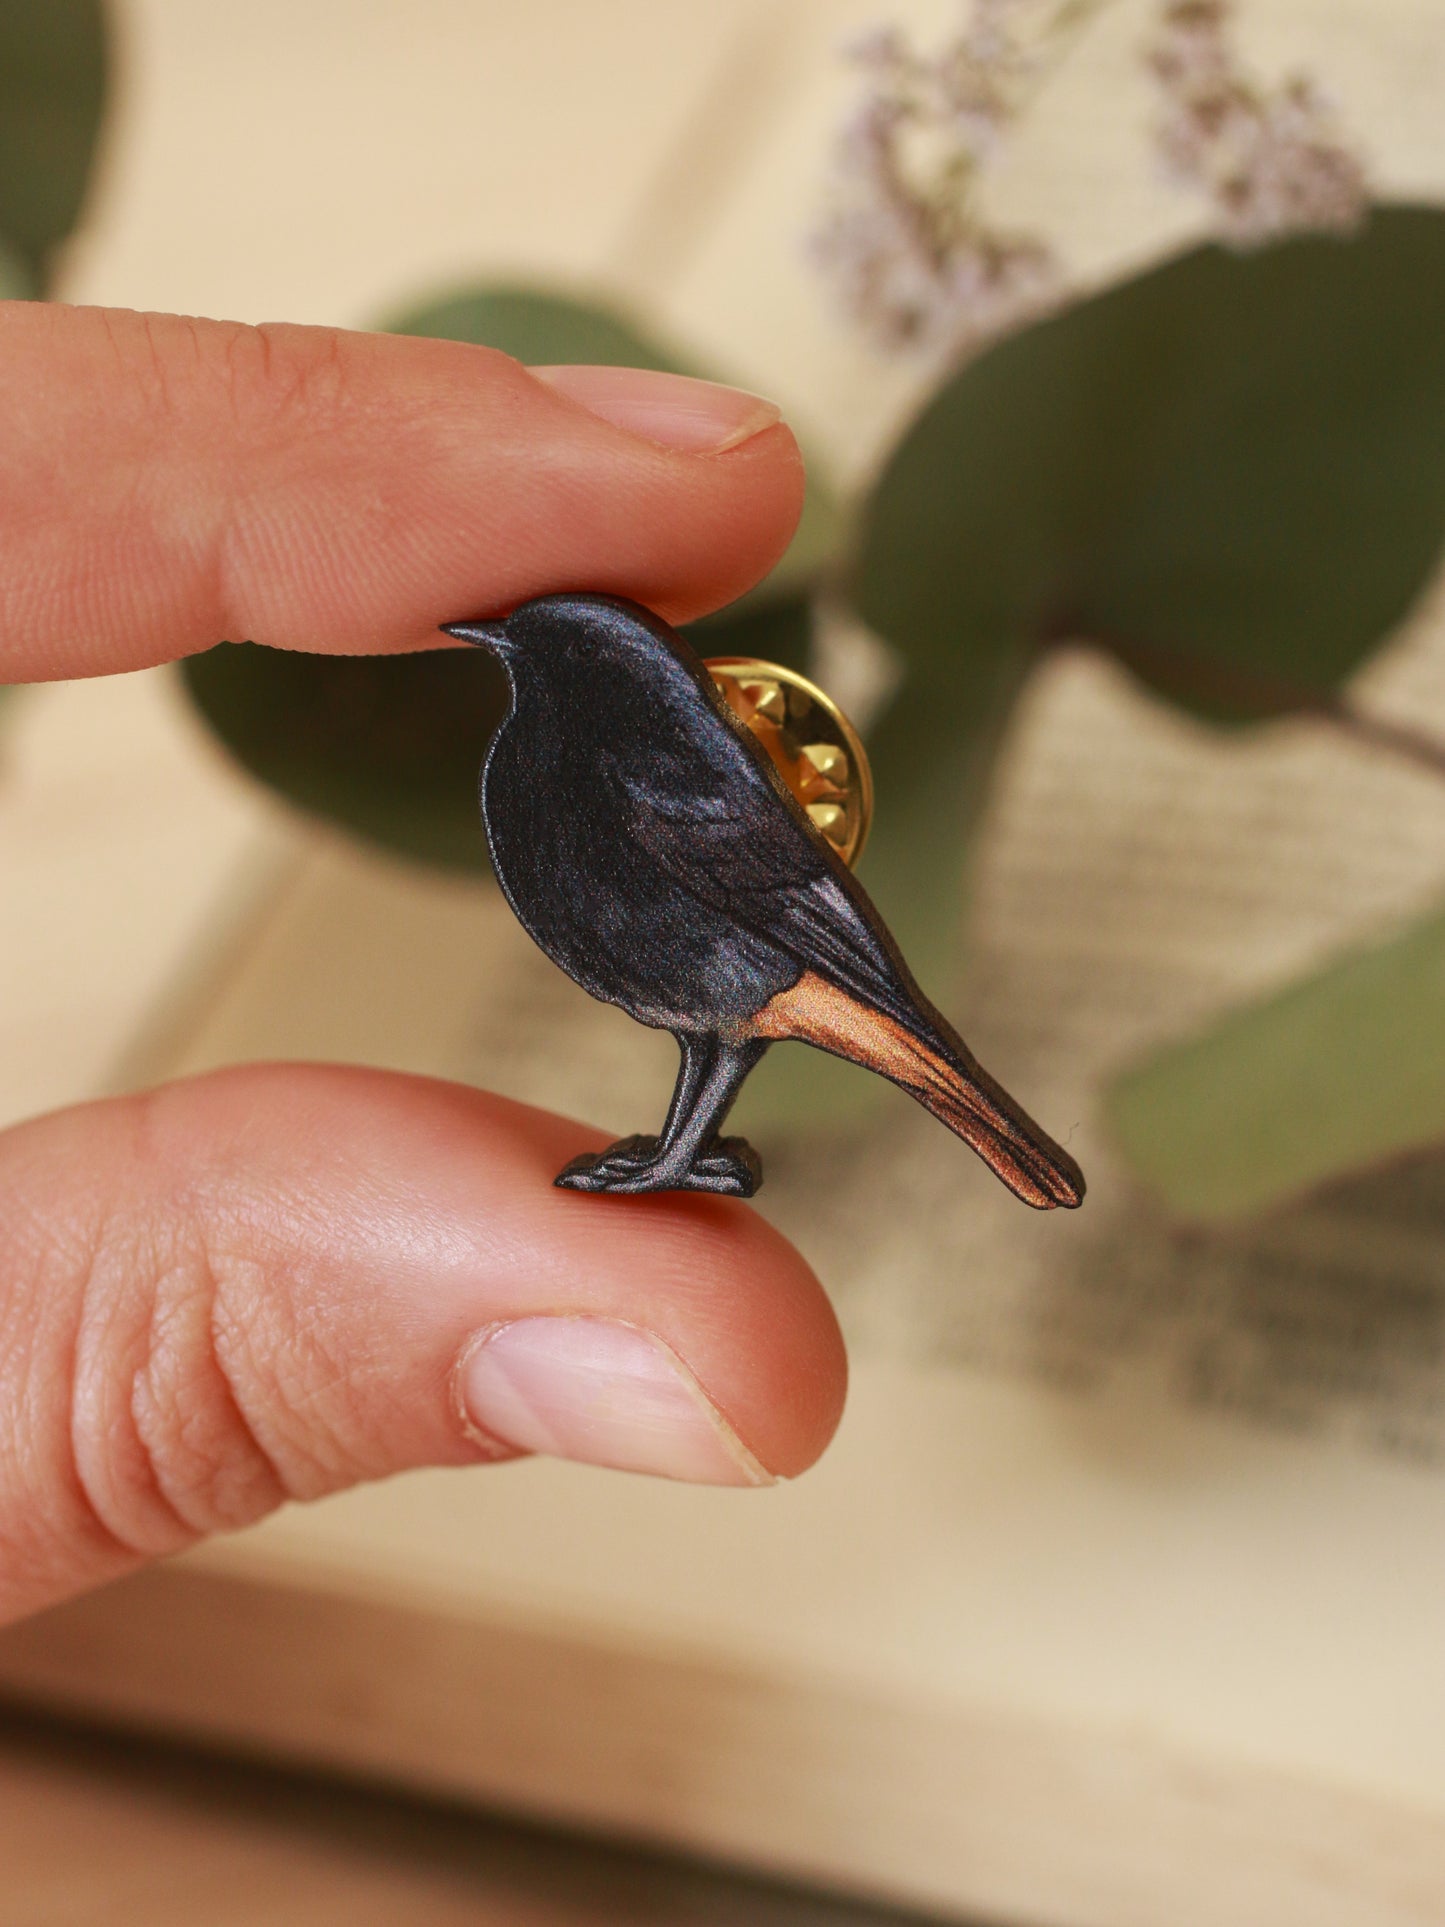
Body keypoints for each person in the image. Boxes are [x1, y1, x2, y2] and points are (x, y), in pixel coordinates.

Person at [0, 302, 848, 1629]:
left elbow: (781, 929)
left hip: (769, 956)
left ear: (597, 682)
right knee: (707, 1030)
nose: (514, 649)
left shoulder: (632, 763)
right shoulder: (547, 759)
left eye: (551, 649)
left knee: (722, 1022)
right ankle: (685, 1154)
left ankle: (687, 1155)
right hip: (723, 974)